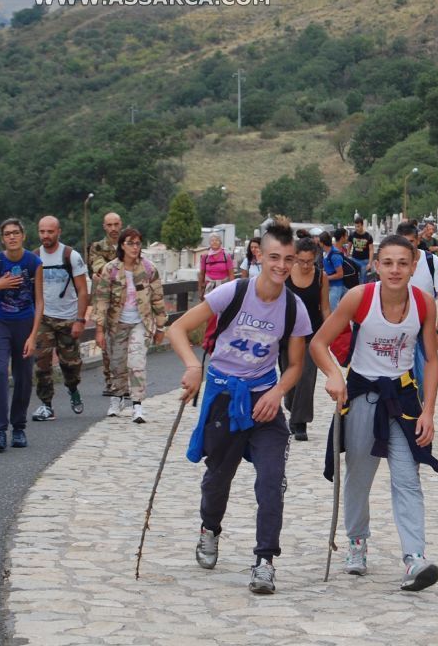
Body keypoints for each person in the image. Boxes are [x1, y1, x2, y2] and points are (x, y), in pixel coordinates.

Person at [168, 218, 311, 595]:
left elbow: (296, 365)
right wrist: (193, 365)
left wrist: (276, 393)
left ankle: (265, 561)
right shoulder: (233, 293)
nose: (282, 266)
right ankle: (209, 529)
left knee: (270, 482)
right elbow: (177, 329)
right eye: (274, 257)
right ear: (260, 256)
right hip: (225, 399)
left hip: (264, 402)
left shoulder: (294, 309)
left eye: (289, 259)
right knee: (218, 478)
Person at [310, 234, 438, 592]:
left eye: (403, 263)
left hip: (402, 399)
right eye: (387, 262)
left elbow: (431, 359)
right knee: (359, 475)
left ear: (414, 266)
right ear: (376, 264)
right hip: (362, 395)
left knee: (407, 477)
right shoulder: (360, 298)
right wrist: (333, 375)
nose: (395, 270)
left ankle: (415, 558)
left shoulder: (423, 303)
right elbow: (318, 343)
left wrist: (428, 411)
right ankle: (356, 541)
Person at [0, 219, 43, 452]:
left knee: (24, 376)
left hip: (25, 322)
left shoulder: (33, 262)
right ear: (2, 238)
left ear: (23, 235)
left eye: (16, 233)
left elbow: (40, 300)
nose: (12, 237)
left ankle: (19, 427)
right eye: (7, 234)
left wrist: (33, 335)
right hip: (1, 322)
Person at [92, 227, 167, 423]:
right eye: (130, 243)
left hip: (141, 322)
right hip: (116, 323)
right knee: (117, 363)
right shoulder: (111, 269)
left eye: (137, 243)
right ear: (122, 246)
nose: (135, 247)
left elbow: (158, 299)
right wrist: (99, 329)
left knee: (137, 362)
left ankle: (138, 405)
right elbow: (101, 300)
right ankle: (117, 399)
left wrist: (161, 327)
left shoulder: (149, 269)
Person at [32, 216, 89, 422]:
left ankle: (73, 388)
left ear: (59, 232)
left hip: (67, 317)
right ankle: (46, 405)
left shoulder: (70, 256)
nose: (46, 235)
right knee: (42, 364)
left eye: (50, 231)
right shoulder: (35, 257)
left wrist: (80, 320)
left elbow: (83, 290)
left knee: (71, 363)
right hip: (44, 318)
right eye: (42, 231)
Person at [280, 237, 330, 441]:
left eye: (309, 261)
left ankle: (299, 422)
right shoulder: (285, 275)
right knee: (289, 377)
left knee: (307, 378)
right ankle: (291, 403)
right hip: (287, 335)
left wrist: (329, 334)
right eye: (301, 261)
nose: (305, 265)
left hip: (312, 334)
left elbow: (325, 307)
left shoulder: (321, 277)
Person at [397, 222, 438, 398]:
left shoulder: (432, 262)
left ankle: (419, 412)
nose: (407, 246)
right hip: (397, 327)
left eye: (411, 241)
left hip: (423, 328)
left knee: (423, 377)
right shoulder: (394, 265)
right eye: (403, 242)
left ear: (418, 241)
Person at [88, 211, 123, 396]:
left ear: (121, 224)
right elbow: (100, 268)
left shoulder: (129, 244)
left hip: (128, 301)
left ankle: (125, 381)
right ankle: (111, 382)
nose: (113, 228)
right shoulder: (97, 247)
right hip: (106, 302)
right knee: (108, 343)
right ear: (104, 227)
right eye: (109, 225)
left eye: (116, 224)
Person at [319, 231, 347, 311]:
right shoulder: (327, 252)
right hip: (329, 286)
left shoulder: (334, 256)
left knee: (333, 310)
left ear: (322, 243)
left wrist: (325, 277)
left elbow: (340, 274)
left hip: (336, 287)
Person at [347, 217, 374, 284]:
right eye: (355, 226)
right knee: (353, 277)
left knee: (363, 279)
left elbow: (371, 250)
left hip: (365, 261)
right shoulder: (352, 235)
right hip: (354, 259)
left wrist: (370, 263)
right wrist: (348, 257)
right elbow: (349, 246)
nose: (356, 228)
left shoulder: (368, 236)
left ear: (362, 225)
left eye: (358, 226)